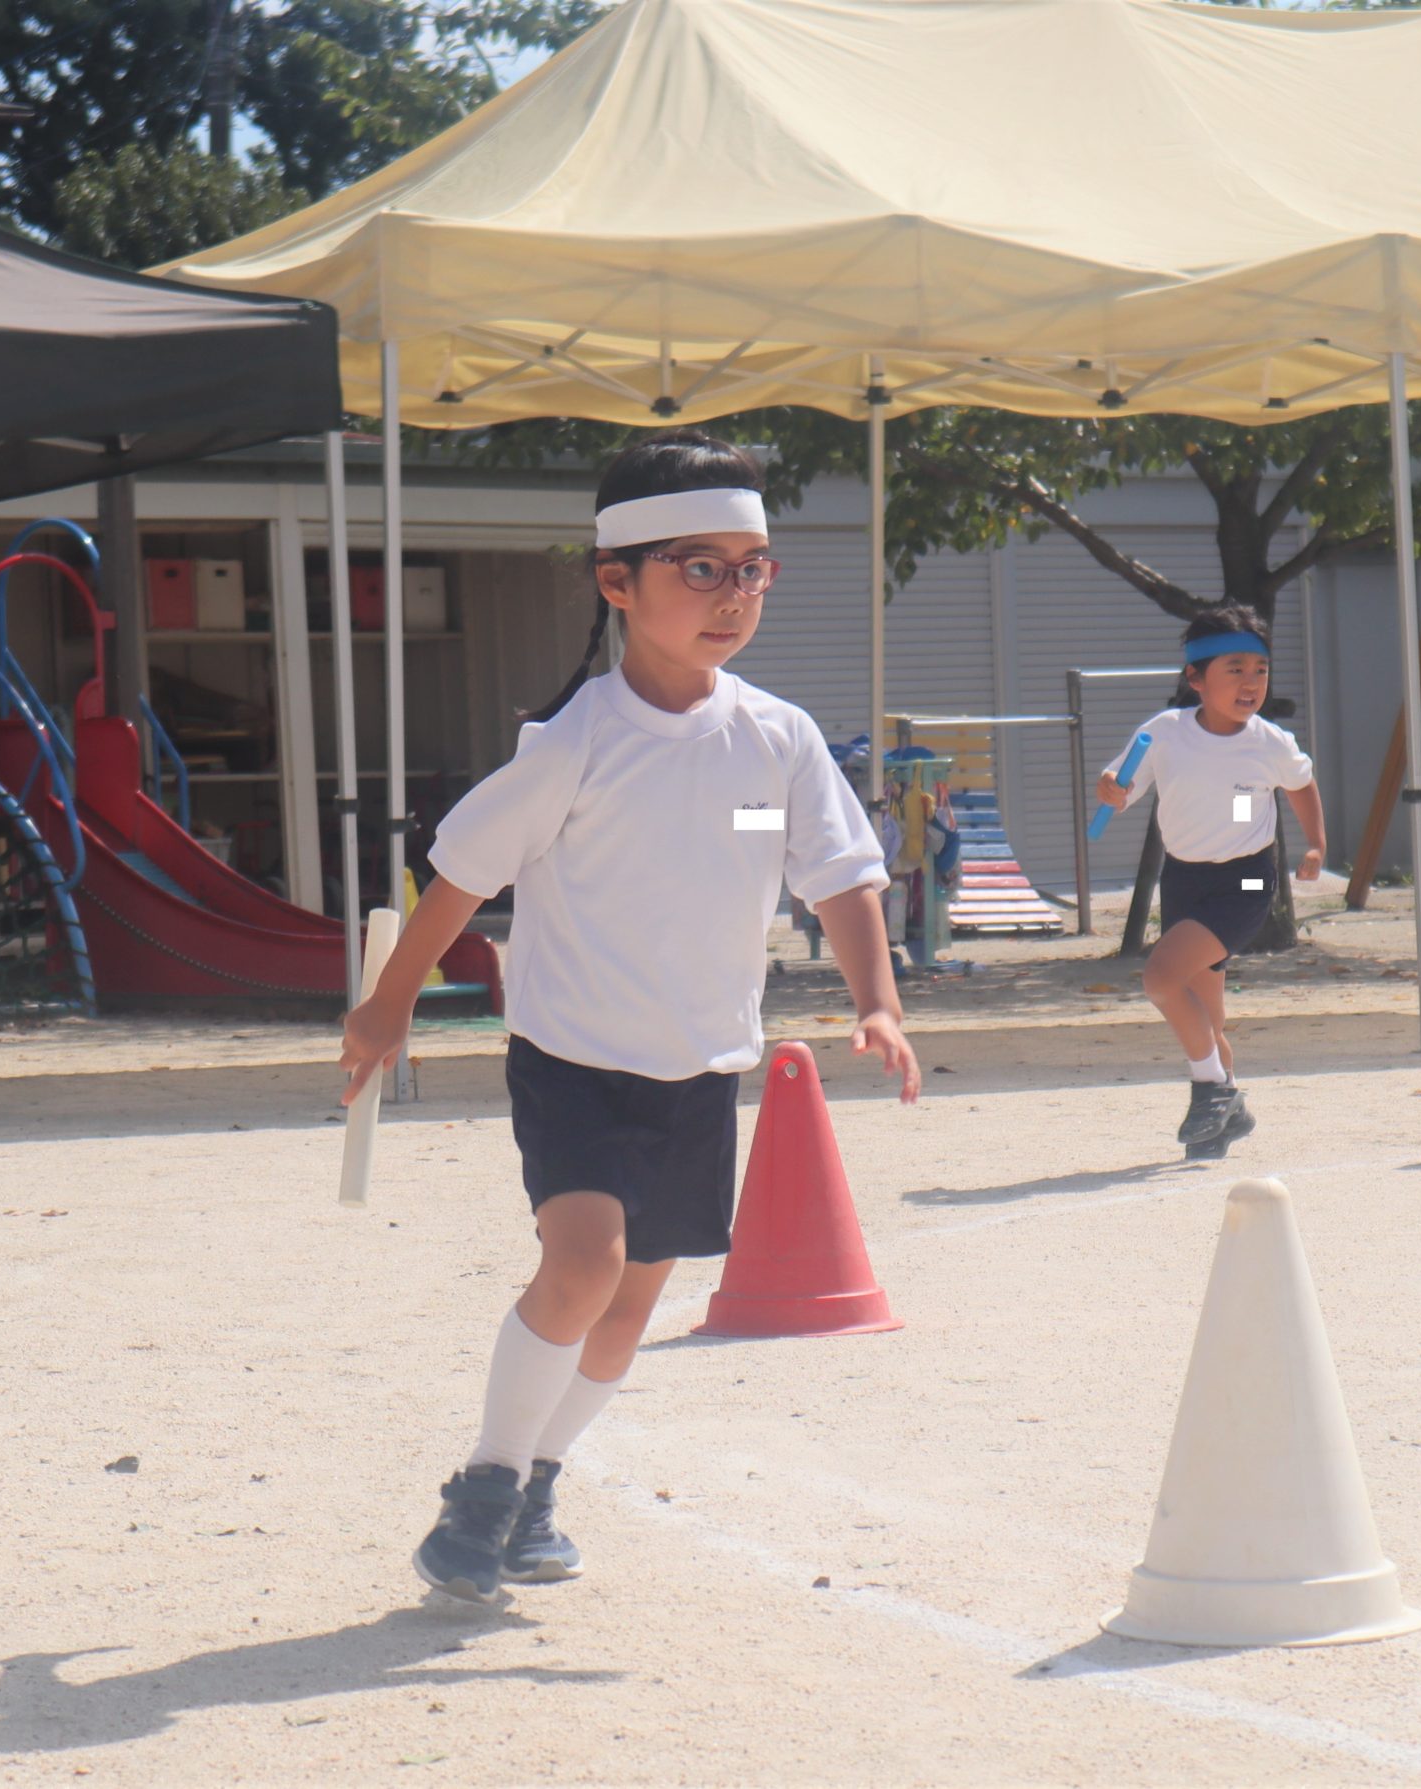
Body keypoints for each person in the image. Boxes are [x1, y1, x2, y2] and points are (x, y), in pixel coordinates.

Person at [339, 428, 921, 1604]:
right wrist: (386, 1005)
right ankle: (484, 1488)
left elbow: (840, 873)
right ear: (617, 580)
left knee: (630, 1306)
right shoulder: (574, 743)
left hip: (701, 1068)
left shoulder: (778, 739)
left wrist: (879, 1002)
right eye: (699, 568)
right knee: (583, 1263)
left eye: (751, 569)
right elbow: (458, 877)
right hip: (575, 1061)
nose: (732, 595)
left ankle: (538, 1482)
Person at [1093, 606, 1324, 1159]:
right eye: (1235, 669)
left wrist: (1316, 844)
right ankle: (1225, 1119)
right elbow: (1122, 787)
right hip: (1184, 880)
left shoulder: (1270, 742)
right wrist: (1110, 789)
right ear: (1195, 678)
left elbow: (1301, 785)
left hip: (1248, 881)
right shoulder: (1164, 733)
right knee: (1207, 1015)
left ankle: (1211, 1089)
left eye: (1260, 670)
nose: (1251, 683)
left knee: (1160, 978)